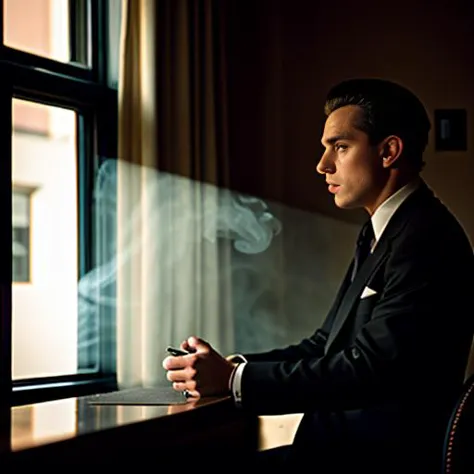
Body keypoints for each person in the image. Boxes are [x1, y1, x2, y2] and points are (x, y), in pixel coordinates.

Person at [162, 78, 474, 472]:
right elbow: (327, 344)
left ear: (389, 151)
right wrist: (233, 367)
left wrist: (235, 381)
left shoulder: (426, 238)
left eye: (340, 147)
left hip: (371, 464)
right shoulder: (381, 231)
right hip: (339, 453)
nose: (322, 164)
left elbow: (369, 370)